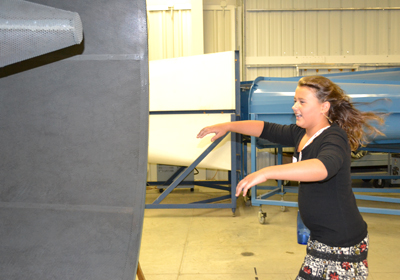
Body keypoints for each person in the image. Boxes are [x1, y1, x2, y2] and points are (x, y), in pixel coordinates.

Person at [197, 75, 385, 280]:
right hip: (323, 237)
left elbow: (323, 168)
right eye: (295, 100)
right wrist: (228, 126)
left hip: (341, 241)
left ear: (324, 107)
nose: (295, 106)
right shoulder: (301, 133)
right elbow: (264, 128)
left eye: (302, 101)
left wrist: (266, 171)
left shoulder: (334, 137)